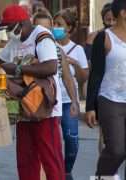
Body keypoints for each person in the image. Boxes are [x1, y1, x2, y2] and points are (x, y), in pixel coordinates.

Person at [0, 5, 65, 180]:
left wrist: (17, 69)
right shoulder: (16, 40)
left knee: (51, 159)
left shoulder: (42, 37)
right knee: (26, 159)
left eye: (10, 27)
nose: (8, 32)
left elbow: (51, 67)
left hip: (44, 109)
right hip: (25, 106)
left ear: (22, 22)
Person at [86, 0, 126, 179]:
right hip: (110, 99)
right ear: (123, 13)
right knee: (117, 149)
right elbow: (95, 74)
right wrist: (90, 107)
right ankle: (102, 176)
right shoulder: (104, 37)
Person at [53, 8, 89, 180]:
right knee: (51, 140)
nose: (55, 28)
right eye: (54, 24)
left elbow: (83, 78)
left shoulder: (78, 49)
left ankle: (67, 170)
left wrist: (74, 63)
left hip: (68, 101)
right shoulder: (48, 45)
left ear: (69, 28)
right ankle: (55, 171)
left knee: (71, 138)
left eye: (59, 25)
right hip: (51, 100)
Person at [33, 12, 79, 117]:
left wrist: (74, 101)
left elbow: (67, 78)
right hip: (31, 105)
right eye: (39, 28)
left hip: (52, 106)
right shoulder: (27, 50)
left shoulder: (58, 50)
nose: (43, 32)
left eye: (47, 29)